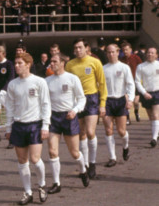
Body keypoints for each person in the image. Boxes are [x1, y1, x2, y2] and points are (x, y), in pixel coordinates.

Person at [5, 53, 51, 205]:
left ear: (28, 64)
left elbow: (45, 104)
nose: (16, 66)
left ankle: (42, 184)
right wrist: (8, 127)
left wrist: (45, 125)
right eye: (15, 63)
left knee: (35, 159)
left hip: (35, 124)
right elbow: (10, 107)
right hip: (19, 125)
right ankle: (27, 192)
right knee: (22, 160)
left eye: (19, 63)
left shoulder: (39, 82)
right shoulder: (12, 84)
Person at [45, 53, 88, 193]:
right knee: (52, 151)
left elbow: (82, 99)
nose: (51, 64)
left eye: (54, 61)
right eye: (51, 61)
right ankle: (57, 183)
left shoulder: (72, 78)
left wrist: (75, 110)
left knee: (74, 152)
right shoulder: (47, 81)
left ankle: (83, 169)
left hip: (69, 117)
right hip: (53, 118)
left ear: (62, 63)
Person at [66, 38, 108, 179]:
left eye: (80, 47)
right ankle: (85, 165)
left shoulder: (95, 62)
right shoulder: (70, 65)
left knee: (90, 132)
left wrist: (102, 103)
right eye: (75, 48)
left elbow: (102, 84)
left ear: (86, 48)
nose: (78, 50)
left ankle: (93, 162)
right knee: (81, 133)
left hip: (91, 99)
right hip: (77, 100)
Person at [102, 44, 135, 166]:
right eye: (108, 52)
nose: (110, 54)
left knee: (121, 131)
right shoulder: (103, 68)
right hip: (107, 101)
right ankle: (112, 157)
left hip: (120, 100)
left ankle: (125, 146)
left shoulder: (124, 67)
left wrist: (130, 99)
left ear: (117, 52)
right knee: (108, 129)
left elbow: (130, 84)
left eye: (113, 52)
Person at [134, 46, 159, 146]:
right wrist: (144, 93)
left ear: (156, 55)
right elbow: (137, 81)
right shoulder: (141, 66)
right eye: (148, 52)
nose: (150, 54)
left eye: (152, 53)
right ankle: (156, 132)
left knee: (155, 115)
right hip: (146, 93)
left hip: (157, 92)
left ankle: (153, 139)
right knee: (151, 116)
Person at [120, 41, 143, 122]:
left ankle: (136, 112)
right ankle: (128, 117)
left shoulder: (136, 58)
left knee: (136, 102)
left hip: (135, 82)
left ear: (130, 49)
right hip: (125, 84)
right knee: (127, 101)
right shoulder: (121, 60)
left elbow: (141, 69)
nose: (125, 52)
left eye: (126, 49)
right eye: (123, 50)